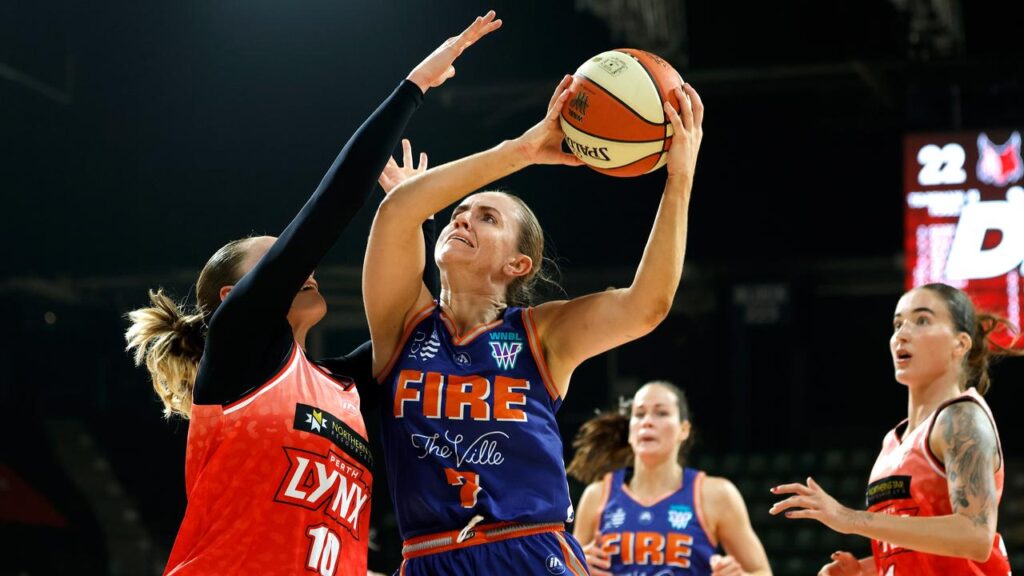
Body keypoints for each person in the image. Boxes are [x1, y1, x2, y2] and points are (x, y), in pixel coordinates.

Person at [123, 13, 500, 575]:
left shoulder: (345, 387)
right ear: (234, 295)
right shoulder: (239, 350)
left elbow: (429, 329)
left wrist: (412, 217)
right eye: (275, 259)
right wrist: (413, 87)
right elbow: (331, 208)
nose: (303, 265)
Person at [361, 59, 704, 573]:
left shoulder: (541, 334)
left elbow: (646, 306)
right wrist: (521, 150)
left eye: (487, 217)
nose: (462, 216)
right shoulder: (401, 325)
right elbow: (397, 212)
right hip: (430, 558)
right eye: (459, 211)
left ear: (517, 263)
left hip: (531, 551)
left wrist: (679, 178)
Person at [770, 283, 1019, 575]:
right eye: (898, 324)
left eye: (922, 320)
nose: (902, 333)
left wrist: (849, 518)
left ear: (960, 344)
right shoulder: (893, 441)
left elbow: (975, 537)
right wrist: (867, 569)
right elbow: (922, 551)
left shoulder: (961, 417)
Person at [569, 381, 772, 576]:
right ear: (630, 432)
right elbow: (566, 569)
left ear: (684, 430)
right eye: (639, 414)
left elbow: (763, 572)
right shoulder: (597, 495)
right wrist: (576, 567)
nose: (647, 421)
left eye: (661, 413)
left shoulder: (716, 495)